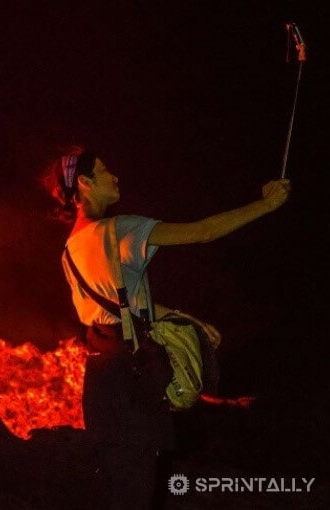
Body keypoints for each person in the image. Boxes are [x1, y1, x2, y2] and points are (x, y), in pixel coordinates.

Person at [43, 146, 290, 510]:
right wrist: (266, 205)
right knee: (139, 488)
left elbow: (115, 308)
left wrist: (180, 316)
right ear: (85, 182)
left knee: (117, 486)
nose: (115, 176)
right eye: (105, 170)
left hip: (99, 382)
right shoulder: (119, 230)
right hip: (133, 378)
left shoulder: (69, 250)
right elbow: (203, 232)